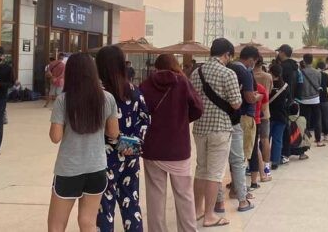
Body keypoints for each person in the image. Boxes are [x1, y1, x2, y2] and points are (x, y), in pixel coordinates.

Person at [47, 53, 119, 232]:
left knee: (56, 224)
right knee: (88, 222)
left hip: (69, 169)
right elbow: (114, 133)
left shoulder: (63, 100)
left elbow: (55, 137)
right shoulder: (107, 98)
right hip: (96, 168)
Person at [139, 54, 203, 232]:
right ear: (175, 65)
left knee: (155, 195)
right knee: (184, 195)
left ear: (156, 67)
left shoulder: (145, 85)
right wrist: (182, 120)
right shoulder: (182, 82)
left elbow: (140, 113)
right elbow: (198, 108)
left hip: (152, 147)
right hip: (178, 148)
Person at [95, 46, 151, 232]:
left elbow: (97, 127)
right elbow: (145, 120)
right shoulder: (135, 91)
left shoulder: (98, 94)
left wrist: (118, 143)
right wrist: (131, 145)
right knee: (131, 204)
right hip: (130, 156)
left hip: (103, 159)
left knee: (104, 208)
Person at [189, 38, 242, 228]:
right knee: (214, 174)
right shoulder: (228, 74)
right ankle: (210, 215)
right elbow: (236, 103)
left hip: (200, 127)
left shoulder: (196, 73)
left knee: (200, 168)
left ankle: (197, 210)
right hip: (220, 128)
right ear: (226, 54)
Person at [220, 46, 260, 213]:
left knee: (225, 159)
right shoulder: (245, 71)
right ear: (251, 59)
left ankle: (231, 190)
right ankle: (239, 193)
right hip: (243, 117)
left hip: (226, 117)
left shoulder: (228, 67)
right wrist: (257, 97)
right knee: (241, 156)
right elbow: (249, 97)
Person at [253, 57, 274, 180]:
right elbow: (269, 92)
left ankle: (253, 166)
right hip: (265, 112)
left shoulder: (249, 75)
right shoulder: (268, 77)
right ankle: (266, 167)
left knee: (252, 142)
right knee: (265, 139)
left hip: (252, 113)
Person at [299, 54, 324, 147]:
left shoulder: (300, 72)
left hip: (304, 99)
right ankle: (318, 140)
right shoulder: (318, 72)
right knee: (317, 119)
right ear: (312, 61)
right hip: (315, 99)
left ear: (304, 61)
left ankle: (305, 139)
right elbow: (319, 84)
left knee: (305, 120)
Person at [268, 64, 289, 170]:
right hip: (281, 116)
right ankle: (275, 161)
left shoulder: (268, 84)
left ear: (271, 72)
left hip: (268, 116)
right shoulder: (285, 85)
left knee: (265, 139)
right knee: (278, 139)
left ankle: (264, 160)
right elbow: (289, 100)